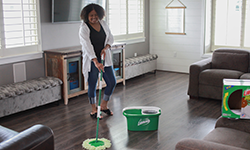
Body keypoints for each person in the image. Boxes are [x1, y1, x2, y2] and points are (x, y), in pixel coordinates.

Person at [79, 3, 116, 119]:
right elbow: (87, 46)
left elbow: (110, 37)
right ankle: (94, 110)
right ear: (86, 16)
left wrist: (106, 48)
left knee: (112, 82)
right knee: (93, 83)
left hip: (104, 57)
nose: (94, 17)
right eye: (91, 15)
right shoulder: (84, 28)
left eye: (96, 15)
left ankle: (104, 105)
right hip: (92, 59)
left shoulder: (103, 24)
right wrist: (95, 61)